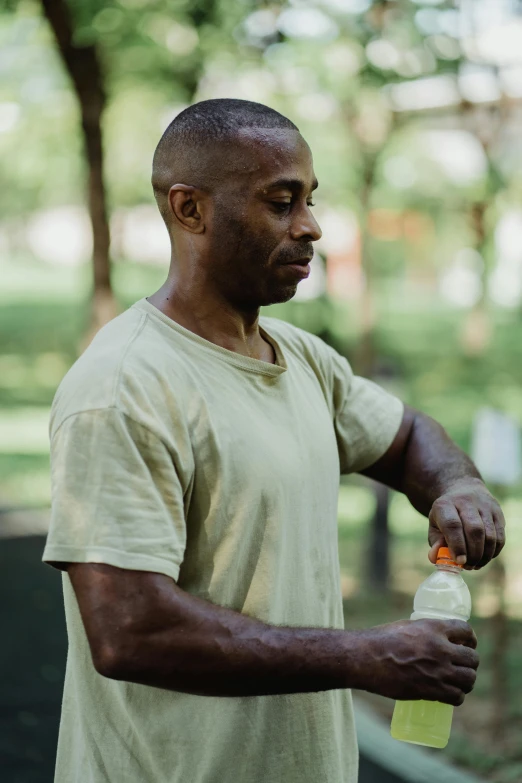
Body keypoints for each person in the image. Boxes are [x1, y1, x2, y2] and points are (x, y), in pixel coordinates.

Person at [42, 99, 505, 783]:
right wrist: (364, 655)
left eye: (310, 200)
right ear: (189, 209)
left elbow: (405, 435)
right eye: (281, 202)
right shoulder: (122, 389)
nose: (311, 227)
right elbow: (130, 629)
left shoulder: (300, 358)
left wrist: (456, 484)